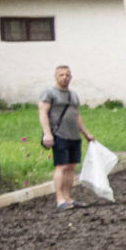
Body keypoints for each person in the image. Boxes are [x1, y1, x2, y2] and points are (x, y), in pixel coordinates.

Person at [40, 65, 89, 210]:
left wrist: (86, 134)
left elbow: (77, 115)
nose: (64, 78)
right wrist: (47, 133)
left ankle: (68, 197)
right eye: (61, 75)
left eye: (67, 75)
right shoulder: (49, 93)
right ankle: (59, 199)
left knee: (71, 167)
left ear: (71, 77)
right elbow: (43, 113)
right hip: (59, 134)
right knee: (61, 166)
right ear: (56, 76)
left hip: (74, 135)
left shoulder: (73, 95)